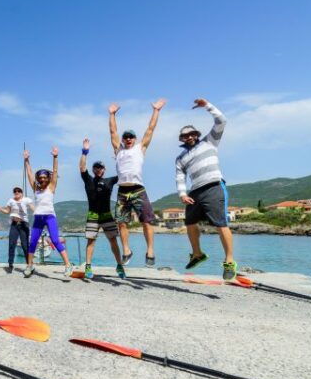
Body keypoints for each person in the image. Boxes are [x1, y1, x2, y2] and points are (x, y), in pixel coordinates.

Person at [175, 98, 237, 280]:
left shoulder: (209, 142)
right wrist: (182, 194)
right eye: (185, 136)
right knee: (189, 223)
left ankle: (229, 261)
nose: (189, 137)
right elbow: (180, 177)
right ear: (181, 139)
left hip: (213, 186)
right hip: (195, 192)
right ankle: (197, 254)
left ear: (196, 134)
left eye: (191, 134)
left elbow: (222, 121)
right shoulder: (180, 158)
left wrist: (207, 106)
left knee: (221, 224)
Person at [108, 98, 166, 267]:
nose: (128, 139)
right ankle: (126, 250)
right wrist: (111, 115)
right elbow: (113, 132)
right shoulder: (118, 150)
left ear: (135, 139)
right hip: (122, 191)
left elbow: (151, 129)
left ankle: (150, 251)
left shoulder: (140, 148)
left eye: (131, 137)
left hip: (138, 189)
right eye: (126, 137)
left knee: (146, 221)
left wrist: (156, 111)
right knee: (121, 222)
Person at [22, 148, 74, 277]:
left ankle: (68, 265)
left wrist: (55, 157)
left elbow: (55, 172)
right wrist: (27, 160)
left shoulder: (51, 187)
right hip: (38, 217)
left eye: (45, 177)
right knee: (33, 242)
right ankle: (30, 266)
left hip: (50, 217)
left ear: (48, 178)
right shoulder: (36, 188)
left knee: (55, 240)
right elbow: (29, 174)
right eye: (40, 178)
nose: (43, 179)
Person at [79, 139, 126, 279]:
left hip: (106, 215)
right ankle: (88, 267)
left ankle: (119, 266)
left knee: (113, 240)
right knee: (91, 241)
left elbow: (124, 173)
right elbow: (82, 167)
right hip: (93, 215)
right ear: (93, 169)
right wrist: (85, 152)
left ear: (104, 170)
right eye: (96, 167)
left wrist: (120, 157)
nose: (98, 169)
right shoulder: (88, 179)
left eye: (101, 167)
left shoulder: (110, 181)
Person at [0, 187, 33, 271]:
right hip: (14, 224)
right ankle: (10, 265)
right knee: (12, 244)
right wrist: (0, 209)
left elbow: (32, 207)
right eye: (15, 191)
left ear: (21, 193)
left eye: (19, 191)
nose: (17, 192)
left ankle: (29, 265)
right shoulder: (11, 200)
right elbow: (7, 211)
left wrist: (38, 212)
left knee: (25, 245)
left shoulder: (26, 199)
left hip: (24, 224)